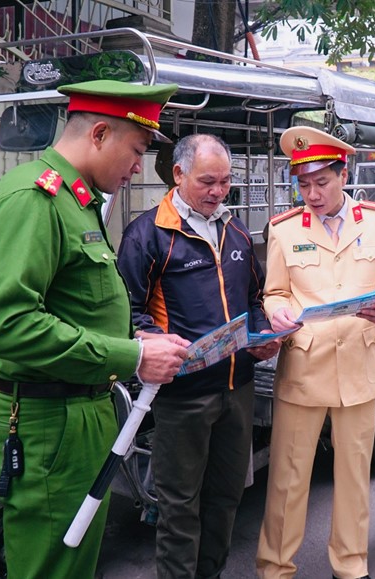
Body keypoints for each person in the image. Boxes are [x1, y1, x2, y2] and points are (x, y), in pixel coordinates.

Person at [0, 79, 190, 578]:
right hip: (50, 422)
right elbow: (9, 326)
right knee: (53, 566)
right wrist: (130, 358)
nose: (139, 167)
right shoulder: (35, 200)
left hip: (75, 413)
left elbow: (73, 307)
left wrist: (135, 340)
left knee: (72, 561)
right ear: (97, 134)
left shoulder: (76, 199)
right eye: (136, 151)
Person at [117, 133, 281, 579]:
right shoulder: (147, 234)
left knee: (227, 497)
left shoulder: (236, 230)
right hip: (182, 396)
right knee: (179, 507)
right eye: (208, 181)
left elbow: (252, 299)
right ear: (179, 174)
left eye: (226, 182)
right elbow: (125, 312)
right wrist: (154, 341)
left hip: (237, 388)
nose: (218, 191)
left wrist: (262, 333)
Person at [255, 126, 375, 579]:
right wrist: (278, 313)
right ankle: (275, 567)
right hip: (304, 365)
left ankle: (351, 564)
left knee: (355, 479)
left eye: (321, 182)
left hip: (359, 368)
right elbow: (276, 291)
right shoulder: (283, 230)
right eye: (303, 184)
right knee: (287, 478)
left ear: (344, 174)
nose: (312, 193)